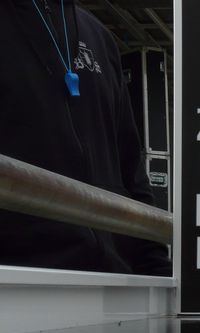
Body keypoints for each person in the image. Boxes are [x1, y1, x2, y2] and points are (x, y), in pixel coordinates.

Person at [0, 0, 171, 275]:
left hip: (111, 281)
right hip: (19, 279)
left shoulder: (98, 36)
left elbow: (131, 170)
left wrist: (156, 267)